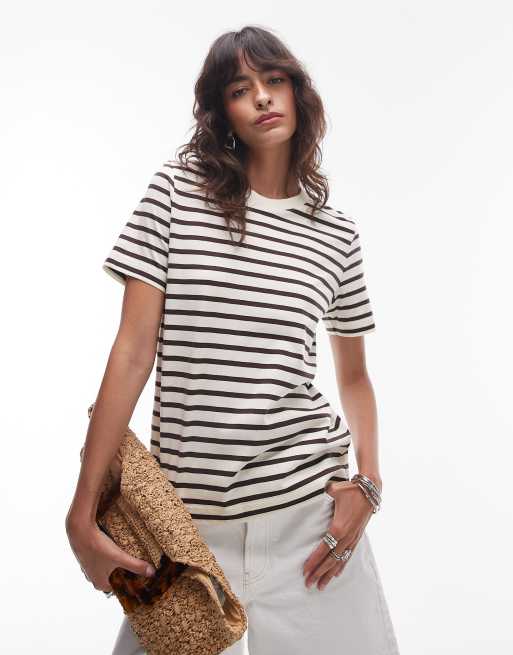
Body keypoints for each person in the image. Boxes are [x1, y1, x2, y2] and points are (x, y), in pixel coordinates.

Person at [65, 24, 401, 655]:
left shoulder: (337, 235)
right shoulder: (175, 195)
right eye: (241, 89)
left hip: (311, 527)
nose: (263, 97)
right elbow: (132, 353)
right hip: (185, 535)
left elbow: (355, 377)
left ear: (298, 93)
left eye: (274, 80)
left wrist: (369, 484)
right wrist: (82, 510)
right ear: (222, 111)